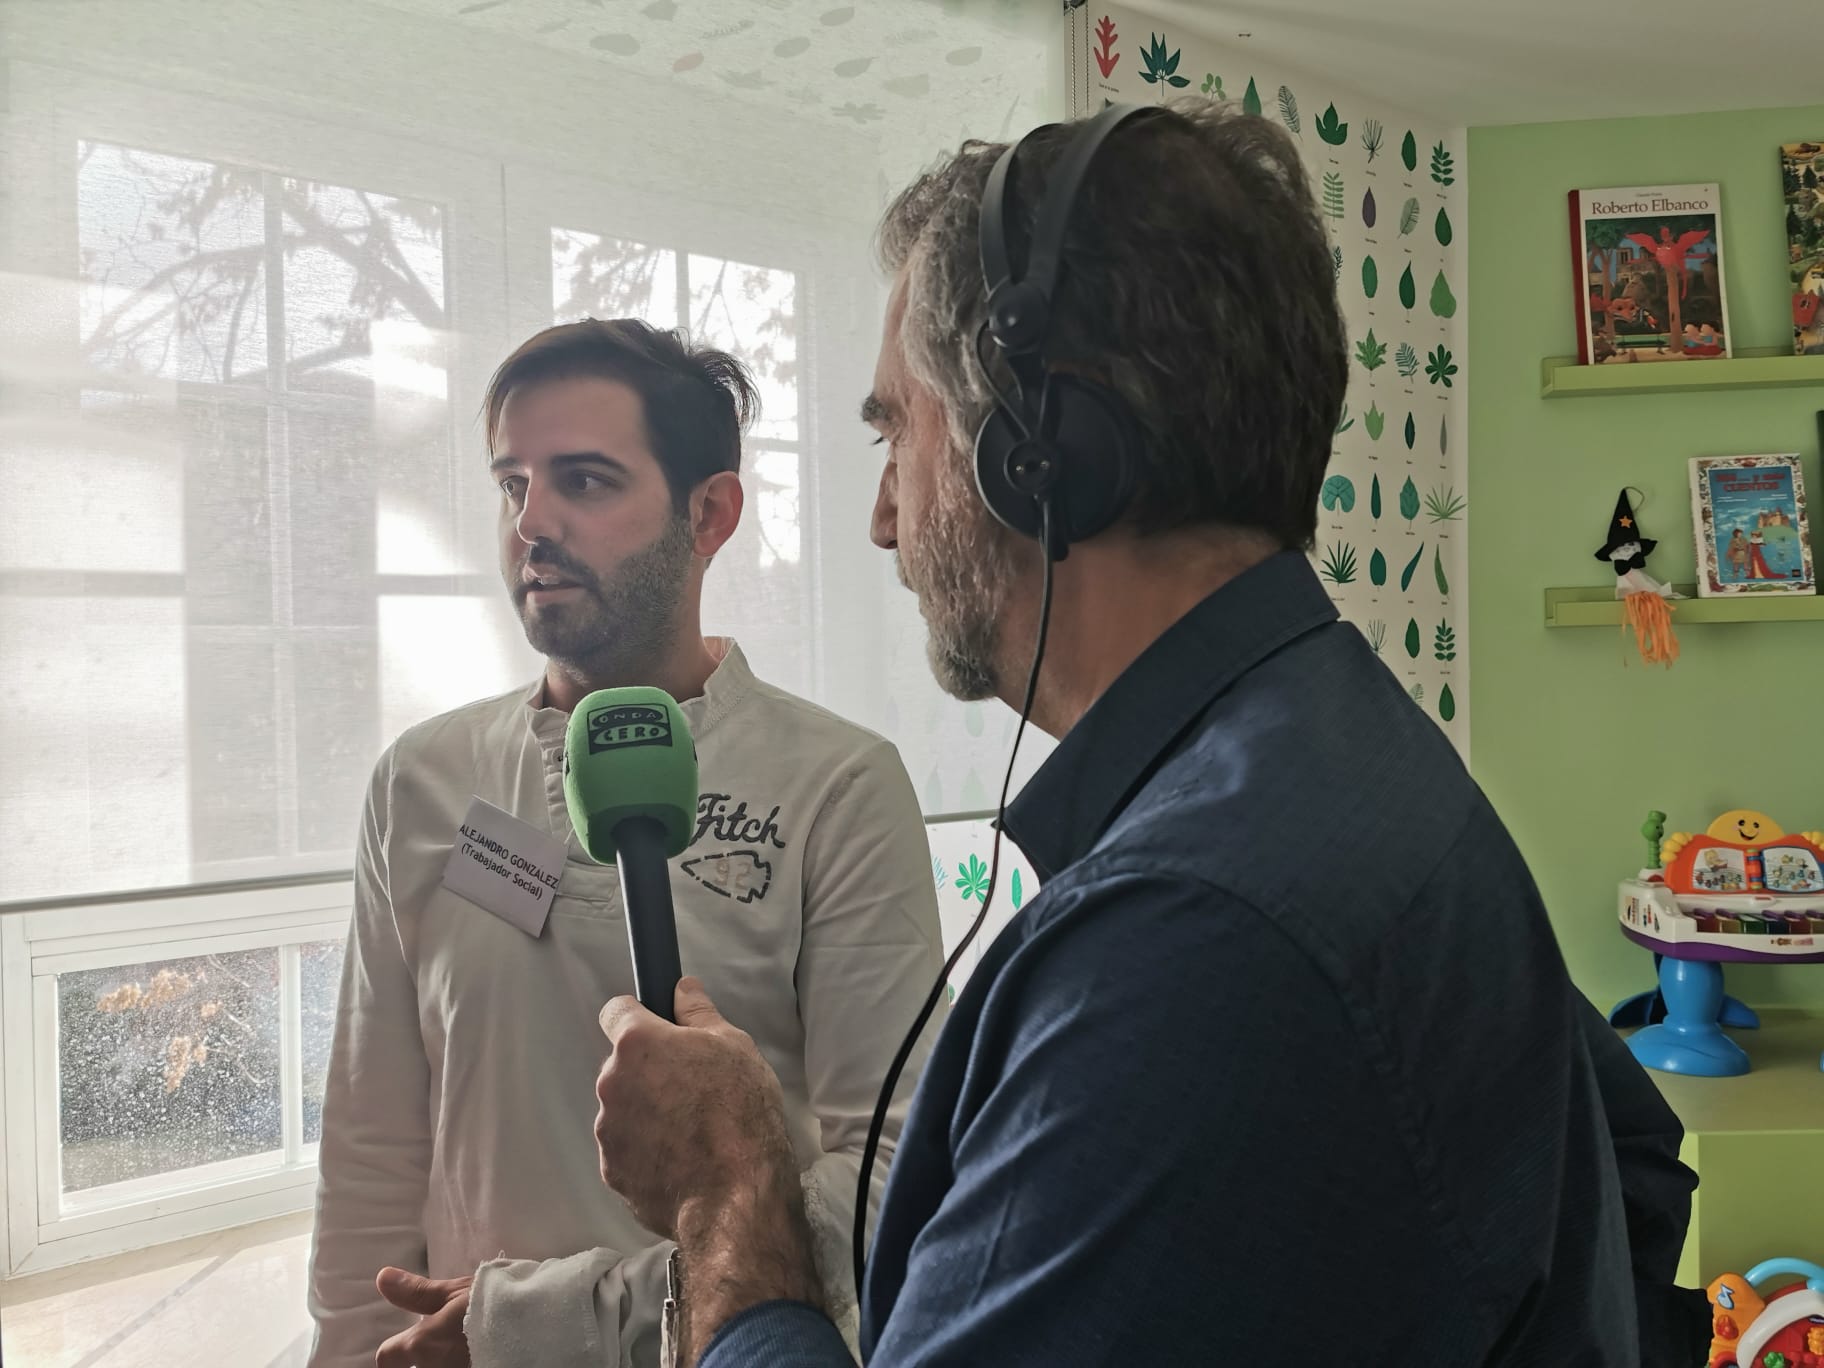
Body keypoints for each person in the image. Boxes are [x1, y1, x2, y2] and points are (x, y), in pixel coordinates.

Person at [589, 102, 1710, 1366]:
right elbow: (1632, 1160)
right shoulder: (1355, 754)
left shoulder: (1188, 945)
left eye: (898, 430)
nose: (885, 518)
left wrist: (728, 1190)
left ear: (1040, 454)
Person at [305, 319, 945, 1368]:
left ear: (710, 513)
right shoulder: (421, 781)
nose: (532, 523)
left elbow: (889, 1177)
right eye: (513, 485)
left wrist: (544, 1321)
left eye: (585, 481)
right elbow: (373, 1150)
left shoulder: (838, 785)